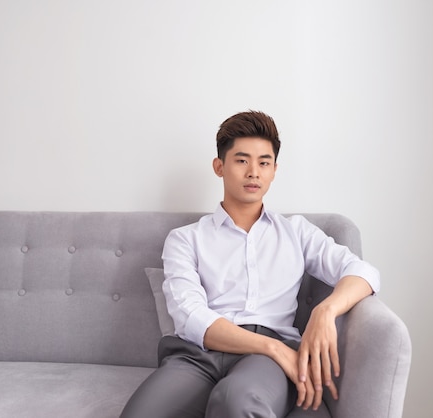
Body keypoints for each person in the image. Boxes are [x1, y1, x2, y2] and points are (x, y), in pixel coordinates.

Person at [120, 111, 380, 418]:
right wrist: (274, 348)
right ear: (220, 166)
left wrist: (325, 311)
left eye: (264, 163)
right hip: (198, 356)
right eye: (242, 160)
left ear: (274, 170)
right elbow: (190, 316)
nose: (254, 172)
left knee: (238, 402)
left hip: (263, 363)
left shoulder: (296, 232)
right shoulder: (185, 239)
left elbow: (362, 272)